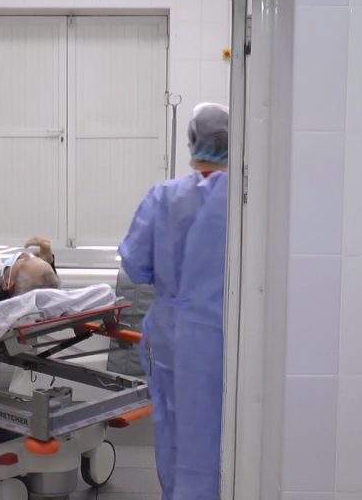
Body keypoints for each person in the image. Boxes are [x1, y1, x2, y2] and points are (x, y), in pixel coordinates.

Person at [117, 102, 228, 500]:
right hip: (225, 333)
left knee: (174, 425)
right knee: (223, 426)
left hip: (172, 334)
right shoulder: (245, 201)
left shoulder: (164, 197)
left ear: (192, 140)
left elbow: (135, 264)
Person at [173, 171, 228, 500]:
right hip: (216, 332)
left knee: (182, 435)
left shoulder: (171, 200)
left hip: (187, 333)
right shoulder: (238, 204)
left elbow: (136, 263)